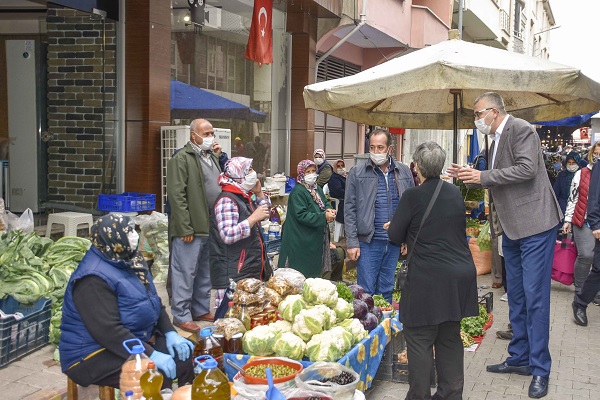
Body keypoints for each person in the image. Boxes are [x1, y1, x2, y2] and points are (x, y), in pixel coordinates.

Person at [448, 92, 562, 399]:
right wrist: (470, 177)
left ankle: (540, 369)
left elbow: (527, 169)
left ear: (494, 111)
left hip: (535, 224)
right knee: (518, 296)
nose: (476, 119)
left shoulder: (521, 129)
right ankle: (520, 358)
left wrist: (484, 175)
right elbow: (497, 178)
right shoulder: (494, 138)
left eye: (478, 113)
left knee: (536, 298)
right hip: (511, 229)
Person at [59, 215, 195, 390]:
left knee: (183, 356)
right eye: (128, 231)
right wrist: (151, 354)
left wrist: (170, 332)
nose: (134, 235)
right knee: (154, 374)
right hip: (91, 353)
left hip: (135, 337)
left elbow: (153, 300)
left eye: (133, 230)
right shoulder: (92, 278)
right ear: (112, 238)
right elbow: (108, 331)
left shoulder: (130, 259)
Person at [387, 141, 478, 400]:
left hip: (427, 278)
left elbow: (395, 235)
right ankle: (451, 394)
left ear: (416, 167)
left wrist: (396, 226)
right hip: (458, 276)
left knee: (419, 339)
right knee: (449, 338)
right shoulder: (453, 193)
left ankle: (419, 396)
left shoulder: (412, 195)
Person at [344, 128, 414, 303]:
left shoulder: (404, 172)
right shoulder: (357, 172)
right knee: (365, 291)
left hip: (394, 242)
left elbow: (411, 208)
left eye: (380, 147)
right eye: (372, 147)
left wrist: (406, 238)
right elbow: (350, 208)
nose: (376, 152)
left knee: (387, 289)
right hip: (368, 242)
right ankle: (367, 328)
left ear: (389, 148)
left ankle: (385, 327)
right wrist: (352, 242)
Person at [167, 118, 222, 333]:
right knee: (184, 271)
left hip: (209, 224)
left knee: (204, 270)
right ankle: (181, 315)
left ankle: (199, 309)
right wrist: (184, 227)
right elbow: (176, 195)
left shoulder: (211, 157)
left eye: (211, 133)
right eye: (206, 133)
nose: (210, 137)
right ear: (193, 136)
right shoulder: (181, 158)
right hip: (190, 226)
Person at [209, 157, 273, 306]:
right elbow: (227, 234)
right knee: (230, 318)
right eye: (249, 170)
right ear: (238, 174)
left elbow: (264, 215)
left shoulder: (243, 196)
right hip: (233, 273)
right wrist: (252, 219)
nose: (253, 173)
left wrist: (260, 194)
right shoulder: (227, 200)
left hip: (247, 268)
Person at [278, 160, 336, 278]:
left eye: (313, 171)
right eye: (307, 172)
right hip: (301, 238)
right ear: (301, 174)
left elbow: (324, 202)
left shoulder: (316, 189)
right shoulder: (298, 192)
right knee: (299, 273)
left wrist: (329, 209)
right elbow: (302, 215)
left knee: (314, 272)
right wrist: (323, 216)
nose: (311, 174)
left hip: (314, 238)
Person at [568, 142, 600, 325]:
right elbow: (593, 198)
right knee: (597, 268)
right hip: (591, 223)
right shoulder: (595, 169)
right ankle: (580, 302)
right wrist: (595, 223)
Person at [554, 152, 581, 217]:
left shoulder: (582, 174)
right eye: (569, 163)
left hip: (578, 207)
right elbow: (556, 191)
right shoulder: (562, 175)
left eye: (573, 163)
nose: (571, 165)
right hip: (563, 205)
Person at [327, 159, 347, 225]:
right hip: (340, 200)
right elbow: (338, 191)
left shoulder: (344, 176)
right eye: (338, 166)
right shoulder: (334, 178)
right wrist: (350, 194)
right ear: (335, 168)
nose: (341, 168)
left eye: (342, 165)